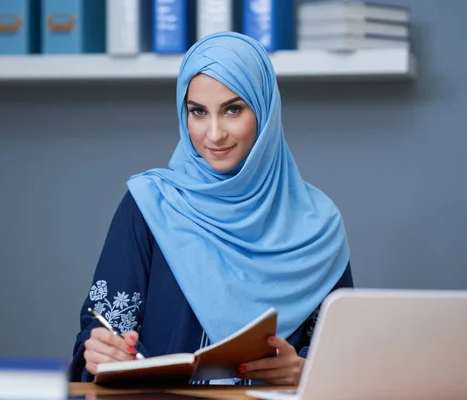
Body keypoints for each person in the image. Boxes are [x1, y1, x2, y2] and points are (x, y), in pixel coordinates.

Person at [69, 31, 354, 386]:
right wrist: (101, 352)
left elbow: (340, 356)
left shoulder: (317, 226)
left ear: (265, 112)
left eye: (233, 109)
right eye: (198, 112)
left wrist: (305, 370)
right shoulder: (149, 205)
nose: (214, 134)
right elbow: (101, 336)